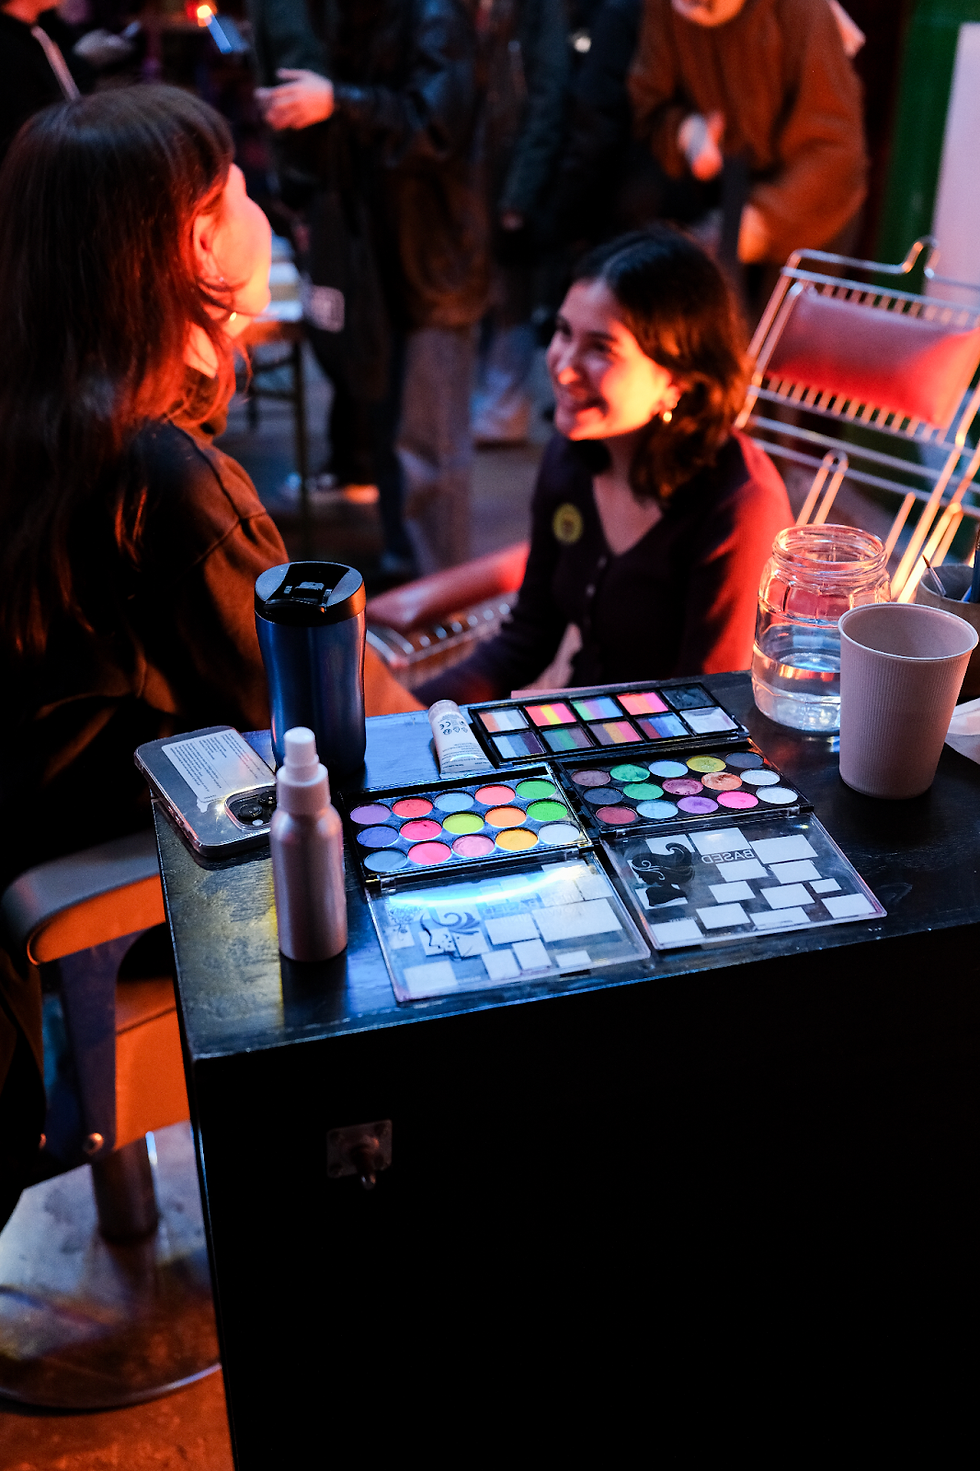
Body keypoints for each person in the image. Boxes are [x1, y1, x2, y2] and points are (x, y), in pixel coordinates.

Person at [0, 85, 419, 895]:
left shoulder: (51, 417)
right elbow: (324, 725)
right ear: (198, 244)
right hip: (139, 878)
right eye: (241, 190)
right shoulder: (167, 483)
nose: (260, 213)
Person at [416, 228, 791, 705]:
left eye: (601, 349)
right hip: (580, 730)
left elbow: (706, 704)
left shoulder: (739, 506)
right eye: (563, 332)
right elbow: (529, 636)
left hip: (662, 758)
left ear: (675, 382)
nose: (562, 366)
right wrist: (400, 714)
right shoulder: (571, 455)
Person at [251, 0, 488, 575]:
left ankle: (436, 605)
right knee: (391, 435)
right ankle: (407, 576)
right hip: (378, 254)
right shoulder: (364, 18)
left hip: (432, 259)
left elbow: (436, 127)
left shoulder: (434, 15)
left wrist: (337, 101)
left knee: (427, 448)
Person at [627, 0, 867, 278]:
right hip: (724, 196)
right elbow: (648, 101)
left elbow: (835, 148)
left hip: (809, 209)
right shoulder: (664, 9)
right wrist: (688, 132)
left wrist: (758, 222)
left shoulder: (801, 10)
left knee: (780, 320)